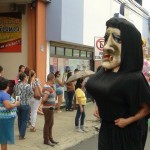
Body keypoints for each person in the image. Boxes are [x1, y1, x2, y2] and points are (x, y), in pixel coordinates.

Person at [86, 17, 150, 150]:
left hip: (126, 132)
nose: (107, 45)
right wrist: (99, 105)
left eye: (117, 39)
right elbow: (104, 92)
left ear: (129, 46)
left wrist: (128, 120)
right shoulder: (102, 72)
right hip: (106, 129)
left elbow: (147, 108)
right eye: (106, 38)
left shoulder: (135, 78)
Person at [0, 77, 20, 150]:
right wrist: (16, 104)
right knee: (4, 139)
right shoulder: (4, 95)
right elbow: (8, 106)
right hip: (5, 120)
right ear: (6, 86)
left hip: (3, 119)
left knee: (2, 138)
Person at [13, 73, 34, 139]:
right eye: (26, 77)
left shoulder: (16, 85)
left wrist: (18, 101)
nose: (27, 78)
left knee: (20, 119)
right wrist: (27, 98)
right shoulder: (28, 86)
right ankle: (21, 135)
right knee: (24, 120)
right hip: (25, 104)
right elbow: (32, 94)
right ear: (24, 78)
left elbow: (15, 94)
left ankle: (20, 133)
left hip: (18, 103)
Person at [41, 73, 58, 146]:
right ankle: (46, 140)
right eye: (54, 79)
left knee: (51, 123)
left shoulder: (49, 86)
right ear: (52, 79)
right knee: (48, 124)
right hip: (48, 108)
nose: (55, 80)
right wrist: (43, 100)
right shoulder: (48, 87)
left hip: (50, 107)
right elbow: (44, 99)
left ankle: (50, 138)